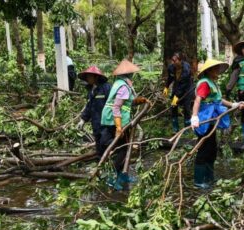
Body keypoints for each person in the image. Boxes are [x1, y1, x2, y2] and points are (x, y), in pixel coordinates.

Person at [191, 59, 244, 189]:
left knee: (212, 149)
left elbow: (218, 100)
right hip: (205, 118)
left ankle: (209, 178)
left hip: (213, 118)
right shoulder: (204, 83)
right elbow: (198, 100)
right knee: (204, 149)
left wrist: (233, 104)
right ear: (209, 71)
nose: (218, 72)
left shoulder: (212, 83)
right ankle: (198, 181)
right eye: (216, 69)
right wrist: (194, 116)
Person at [100, 59, 151, 191]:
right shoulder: (123, 87)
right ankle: (117, 177)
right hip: (117, 120)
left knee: (121, 148)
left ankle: (121, 175)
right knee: (124, 149)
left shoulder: (119, 83)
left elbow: (128, 103)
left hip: (110, 119)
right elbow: (117, 107)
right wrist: (119, 127)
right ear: (129, 75)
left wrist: (141, 100)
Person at [77, 66, 112, 158]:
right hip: (96, 124)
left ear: (96, 77)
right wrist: (83, 120)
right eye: (87, 77)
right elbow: (89, 107)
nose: (88, 79)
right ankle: (102, 167)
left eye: (89, 76)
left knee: (105, 143)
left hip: (106, 124)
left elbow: (114, 104)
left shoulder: (106, 88)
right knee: (99, 148)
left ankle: (113, 164)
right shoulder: (91, 91)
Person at [163, 52, 195, 132]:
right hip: (177, 88)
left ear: (180, 60)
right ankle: (175, 128)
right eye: (172, 60)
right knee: (173, 106)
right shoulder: (171, 67)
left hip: (187, 89)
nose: (173, 62)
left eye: (175, 60)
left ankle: (186, 129)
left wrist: (176, 97)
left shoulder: (186, 69)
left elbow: (183, 85)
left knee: (186, 108)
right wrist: (166, 87)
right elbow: (170, 78)